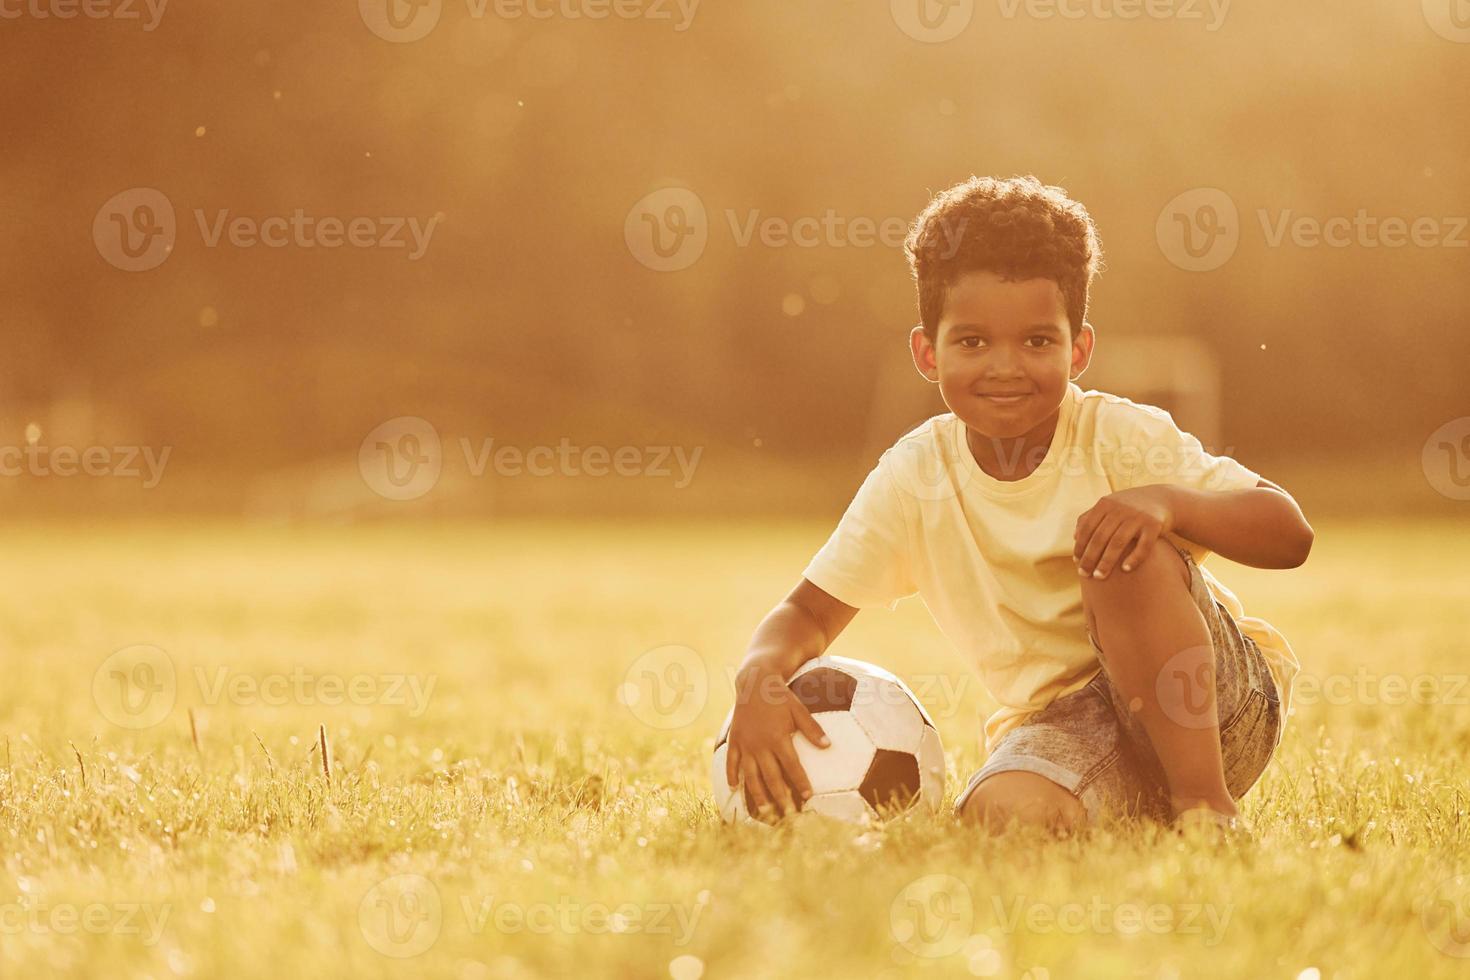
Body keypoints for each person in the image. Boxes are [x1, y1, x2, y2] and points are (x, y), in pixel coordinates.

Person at [723, 174, 1312, 834]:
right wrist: (759, 676)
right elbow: (808, 610)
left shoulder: (1117, 436)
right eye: (973, 343)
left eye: (1036, 342)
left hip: (1214, 708)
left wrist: (1168, 504)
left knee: (1116, 544)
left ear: (1079, 348)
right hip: (1068, 727)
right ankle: (1131, 806)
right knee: (1001, 819)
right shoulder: (916, 476)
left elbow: (1289, 533)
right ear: (927, 352)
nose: (1005, 367)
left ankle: (1205, 810)